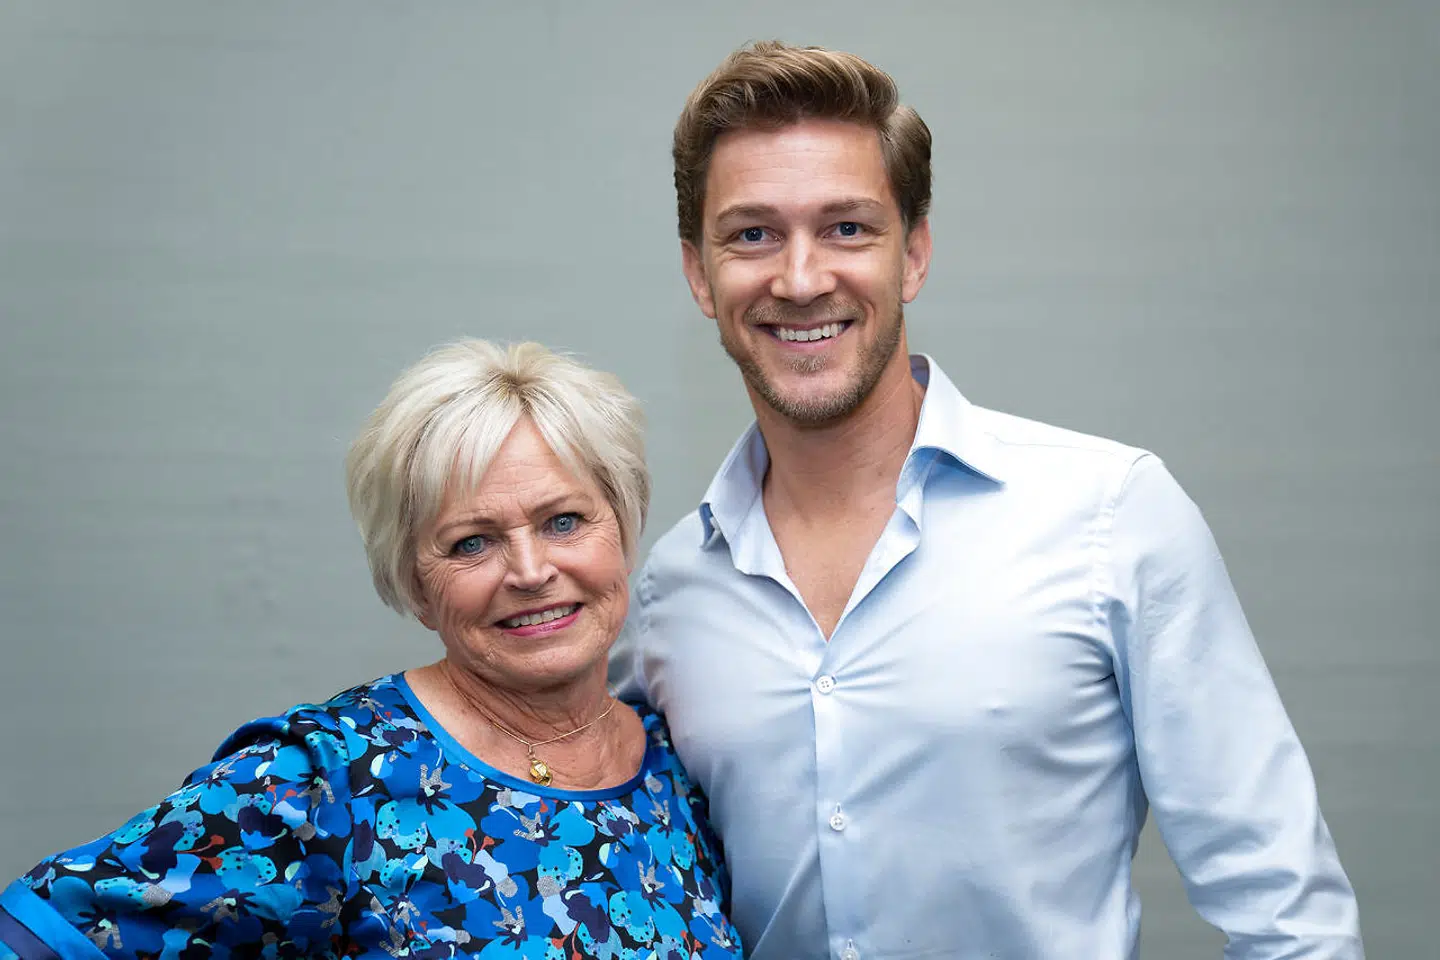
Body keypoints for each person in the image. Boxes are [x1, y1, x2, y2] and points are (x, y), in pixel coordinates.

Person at [616, 41, 1364, 959]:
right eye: (752, 234)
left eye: (848, 228)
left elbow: (1284, 909)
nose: (801, 277)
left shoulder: (1110, 516)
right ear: (699, 272)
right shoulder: (666, 595)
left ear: (915, 254)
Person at [1, 340, 742, 959]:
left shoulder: (677, 768)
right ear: (415, 584)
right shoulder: (328, 781)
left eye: (563, 521)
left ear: (623, 527)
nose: (529, 571)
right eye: (472, 542)